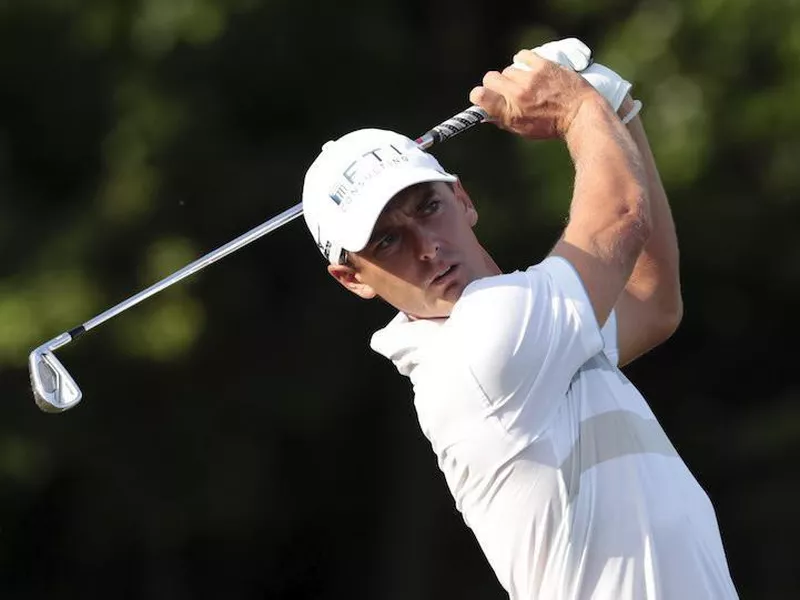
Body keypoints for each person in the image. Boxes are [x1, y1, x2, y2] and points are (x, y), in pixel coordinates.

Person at [301, 38, 738, 599]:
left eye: (428, 208)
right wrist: (579, 109)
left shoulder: (539, 331)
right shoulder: (479, 345)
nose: (427, 248)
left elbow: (652, 302)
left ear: (463, 200)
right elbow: (621, 217)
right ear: (353, 278)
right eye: (387, 241)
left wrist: (617, 113)